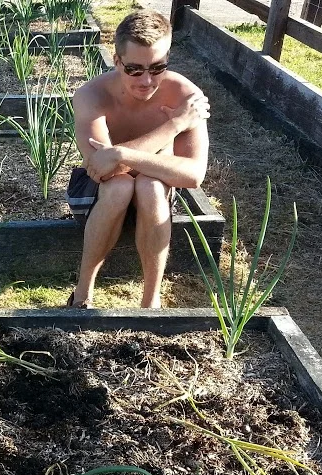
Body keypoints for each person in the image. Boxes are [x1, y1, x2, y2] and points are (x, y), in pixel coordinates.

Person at [66, 9, 210, 309]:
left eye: (157, 68)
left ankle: (150, 302)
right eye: (134, 69)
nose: (146, 80)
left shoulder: (186, 97)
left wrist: (121, 153)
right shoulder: (91, 95)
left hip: (153, 198)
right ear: (117, 61)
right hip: (97, 196)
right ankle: (81, 294)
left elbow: (194, 174)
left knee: (150, 186)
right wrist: (173, 126)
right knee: (120, 186)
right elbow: (101, 168)